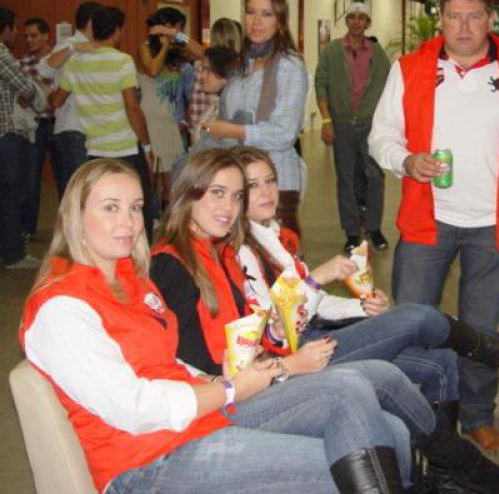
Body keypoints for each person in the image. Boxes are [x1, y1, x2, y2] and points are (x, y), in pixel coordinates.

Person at [19, 158, 417, 493]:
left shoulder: (131, 279)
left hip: (198, 420)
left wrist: (228, 379)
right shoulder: (63, 308)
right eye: (110, 208)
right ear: (76, 215)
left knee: (387, 428)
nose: (128, 222)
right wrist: (232, 388)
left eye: (136, 208)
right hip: (146, 463)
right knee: (351, 461)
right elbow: (135, 408)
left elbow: (168, 362)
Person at [150, 148, 499, 494]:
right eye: (221, 193)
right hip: (236, 395)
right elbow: (196, 367)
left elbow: (260, 333)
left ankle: (447, 472)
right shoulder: (186, 262)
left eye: (237, 194)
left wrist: (347, 311)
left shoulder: (222, 253)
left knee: (406, 410)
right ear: (187, 194)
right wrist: (286, 358)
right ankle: (467, 441)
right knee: (404, 332)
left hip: (269, 368)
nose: (231, 205)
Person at [369, 0, 499, 450]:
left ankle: (477, 415)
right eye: (454, 16)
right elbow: (381, 136)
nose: (464, 27)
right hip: (426, 221)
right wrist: (406, 160)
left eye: (474, 16)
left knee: (482, 331)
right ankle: (414, 414)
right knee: (411, 324)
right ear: (441, 19)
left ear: (491, 19)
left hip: (494, 225)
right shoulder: (409, 69)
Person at [231, 145, 499, 405]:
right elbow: (279, 326)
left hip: (316, 335)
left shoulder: (274, 236)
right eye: (253, 185)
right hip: (299, 352)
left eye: (270, 180)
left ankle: (441, 454)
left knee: (441, 364)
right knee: (416, 316)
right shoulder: (242, 253)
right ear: (236, 195)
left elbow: (317, 304)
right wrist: (315, 279)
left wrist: (361, 307)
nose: (266, 191)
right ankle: (482, 346)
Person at [201, 0, 307, 237]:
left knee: (277, 257)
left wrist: (232, 130)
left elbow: (284, 133)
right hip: (238, 179)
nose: (256, 21)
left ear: (280, 21)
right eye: (250, 12)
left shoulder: (289, 66)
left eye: (267, 14)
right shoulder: (243, 65)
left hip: (275, 182)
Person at [50, 5, 155, 241]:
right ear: (116, 30)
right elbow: (132, 108)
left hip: (95, 151)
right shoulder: (122, 61)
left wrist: (48, 94)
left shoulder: (76, 63)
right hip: (126, 149)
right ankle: (139, 255)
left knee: (104, 207)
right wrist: (147, 146)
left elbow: (56, 101)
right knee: (138, 206)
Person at [315, 1, 392, 253]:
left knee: (375, 177)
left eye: (361, 17)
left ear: (368, 22)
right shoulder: (331, 52)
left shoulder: (378, 54)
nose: (356, 22)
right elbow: (321, 85)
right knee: (346, 179)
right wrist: (326, 120)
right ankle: (351, 232)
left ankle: (373, 227)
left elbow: (389, 89)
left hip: (370, 125)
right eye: (352, 17)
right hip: (342, 125)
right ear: (346, 21)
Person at [37, 1, 102, 197]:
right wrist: (75, 48)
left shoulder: (100, 47)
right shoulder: (69, 44)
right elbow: (44, 69)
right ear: (91, 21)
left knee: (89, 192)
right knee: (75, 193)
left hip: (93, 130)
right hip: (72, 128)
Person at [138, 7, 201, 206]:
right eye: (178, 27)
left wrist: (176, 35)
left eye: (180, 28)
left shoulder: (179, 52)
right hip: (150, 124)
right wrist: (165, 45)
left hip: (173, 123)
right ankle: (149, 218)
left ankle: (167, 219)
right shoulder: (145, 47)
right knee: (150, 180)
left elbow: (201, 53)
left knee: (171, 183)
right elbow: (153, 70)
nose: (178, 31)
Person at [0, 7, 42, 269]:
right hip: (5, 135)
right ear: (4, 29)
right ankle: (13, 254)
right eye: (14, 28)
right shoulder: (2, 54)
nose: (16, 33)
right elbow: (26, 88)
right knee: (9, 194)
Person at [18, 17, 55, 243]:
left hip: (61, 124)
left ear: (46, 35)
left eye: (33, 35)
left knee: (67, 176)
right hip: (36, 124)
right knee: (31, 177)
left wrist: (40, 94)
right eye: (26, 36)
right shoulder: (22, 64)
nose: (29, 40)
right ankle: (27, 228)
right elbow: (23, 99)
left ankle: (71, 228)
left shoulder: (58, 59)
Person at [187, 18, 242, 139]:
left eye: (207, 70)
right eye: (202, 69)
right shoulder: (215, 104)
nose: (202, 75)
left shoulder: (231, 106)